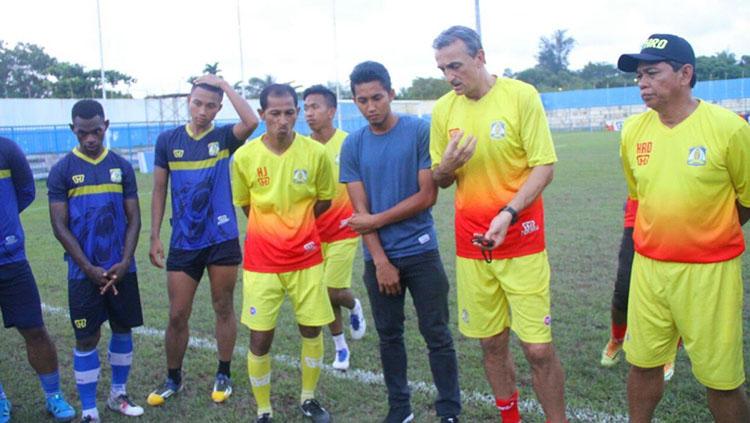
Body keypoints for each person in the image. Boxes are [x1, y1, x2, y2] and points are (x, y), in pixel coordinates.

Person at [430, 26, 567, 423]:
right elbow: (438, 179)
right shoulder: (443, 111)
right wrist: (446, 167)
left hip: (522, 241)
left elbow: (545, 166)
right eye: (442, 69)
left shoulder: (521, 96)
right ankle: (511, 419)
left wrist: (508, 213)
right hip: (472, 247)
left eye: (455, 65)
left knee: (538, 350)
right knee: (491, 343)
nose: (449, 76)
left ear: (480, 57)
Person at [617, 33, 750, 422]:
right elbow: (640, 197)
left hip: (710, 274)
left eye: (652, 73)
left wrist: (709, 230)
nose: (642, 83)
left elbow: (747, 196)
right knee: (642, 364)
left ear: (685, 74)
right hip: (649, 270)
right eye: (639, 75)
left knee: (722, 381)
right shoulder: (632, 132)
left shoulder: (729, 129)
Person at [340, 61, 461, 423]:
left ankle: (449, 411)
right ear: (355, 101)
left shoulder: (419, 131)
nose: (370, 106)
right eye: (362, 100)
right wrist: (380, 261)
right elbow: (359, 211)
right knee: (389, 337)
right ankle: (400, 410)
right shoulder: (353, 145)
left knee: (437, 334)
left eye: (377, 97)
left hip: (422, 252)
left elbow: (427, 196)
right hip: (378, 259)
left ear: (392, 94)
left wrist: (376, 220)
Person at [147, 75, 259, 406]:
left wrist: (223, 83)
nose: (203, 111)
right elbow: (158, 189)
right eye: (197, 103)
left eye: (211, 106)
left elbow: (251, 120)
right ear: (188, 101)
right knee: (177, 313)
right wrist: (154, 235)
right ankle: (173, 378)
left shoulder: (224, 137)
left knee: (223, 306)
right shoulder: (167, 140)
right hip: (184, 239)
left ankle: (223, 373)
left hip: (221, 238)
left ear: (218, 107)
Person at [231, 83, 336, 423]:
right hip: (262, 263)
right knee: (260, 337)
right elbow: (246, 205)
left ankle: (308, 398)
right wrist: (273, 231)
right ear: (261, 115)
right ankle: (264, 408)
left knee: (312, 329)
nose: (283, 120)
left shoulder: (316, 154)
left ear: (297, 113)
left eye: (289, 112)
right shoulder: (244, 157)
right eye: (274, 113)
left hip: (306, 260)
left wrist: (298, 229)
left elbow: (324, 200)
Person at [48, 99, 144, 422]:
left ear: (107, 125)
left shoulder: (122, 166)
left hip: (121, 269)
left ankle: (118, 394)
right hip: (82, 274)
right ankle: (89, 409)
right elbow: (59, 225)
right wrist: (88, 268)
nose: (90, 139)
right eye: (83, 133)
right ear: (72, 129)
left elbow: (134, 218)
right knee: (86, 338)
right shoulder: (62, 170)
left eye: (96, 131)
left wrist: (125, 260)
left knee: (122, 328)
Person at [0, 137, 76, 423]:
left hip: (11, 258)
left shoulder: (5, 149)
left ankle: (53, 395)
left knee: (34, 329)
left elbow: (26, 191)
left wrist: (5, 219)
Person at [303, 84, 366, 371]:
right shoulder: (302, 148)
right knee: (322, 293)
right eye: (306, 108)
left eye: (315, 107)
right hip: (314, 234)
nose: (309, 113)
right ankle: (340, 347)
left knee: (331, 289)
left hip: (345, 229)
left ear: (331, 111)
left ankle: (353, 304)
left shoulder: (349, 143)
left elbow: (363, 184)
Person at [600, 199, 676, 381]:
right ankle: (617, 339)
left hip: (677, 222)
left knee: (670, 290)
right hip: (638, 219)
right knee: (623, 290)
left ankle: (667, 353)